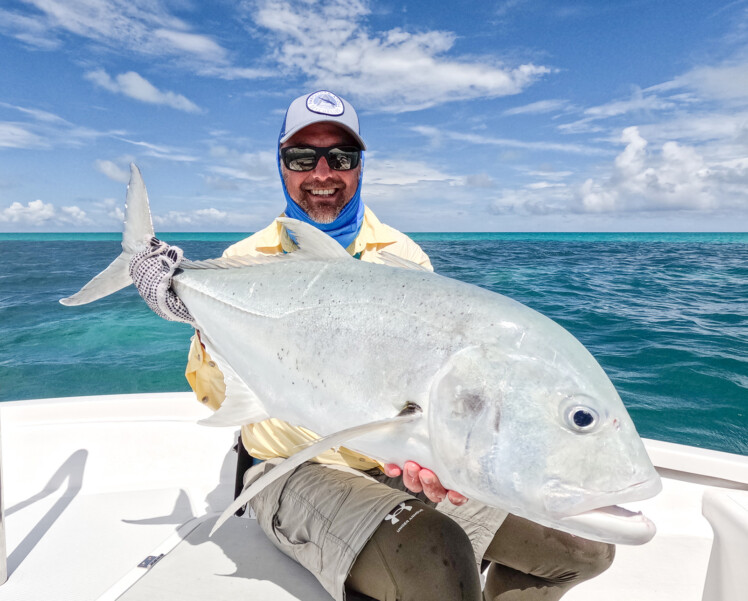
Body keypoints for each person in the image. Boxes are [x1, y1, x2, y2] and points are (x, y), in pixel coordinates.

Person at [131, 90, 614, 601]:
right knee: (436, 556)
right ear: (281, 165)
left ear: (360, 167)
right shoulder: (245, 260)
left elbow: (430, 392)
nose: (322, 172)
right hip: (297, 468)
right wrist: (190, 313)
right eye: (302, 157)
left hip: (392, 463)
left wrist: (440, 458)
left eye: (341, 157)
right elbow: (212, 395)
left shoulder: (403, 257)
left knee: (582, 545)